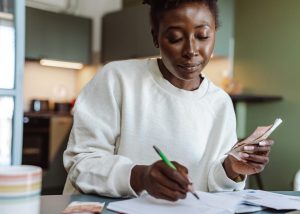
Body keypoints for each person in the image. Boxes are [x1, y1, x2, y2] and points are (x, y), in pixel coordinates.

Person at [63, 0, 274, 201]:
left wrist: (232, 169)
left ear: (214, 35)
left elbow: (212, 183)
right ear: (156, 37)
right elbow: (81, 164)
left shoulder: (220, 103)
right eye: (175, 38)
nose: (191, 51)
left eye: (202, 36)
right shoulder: (116, 79)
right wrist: (140, 177)